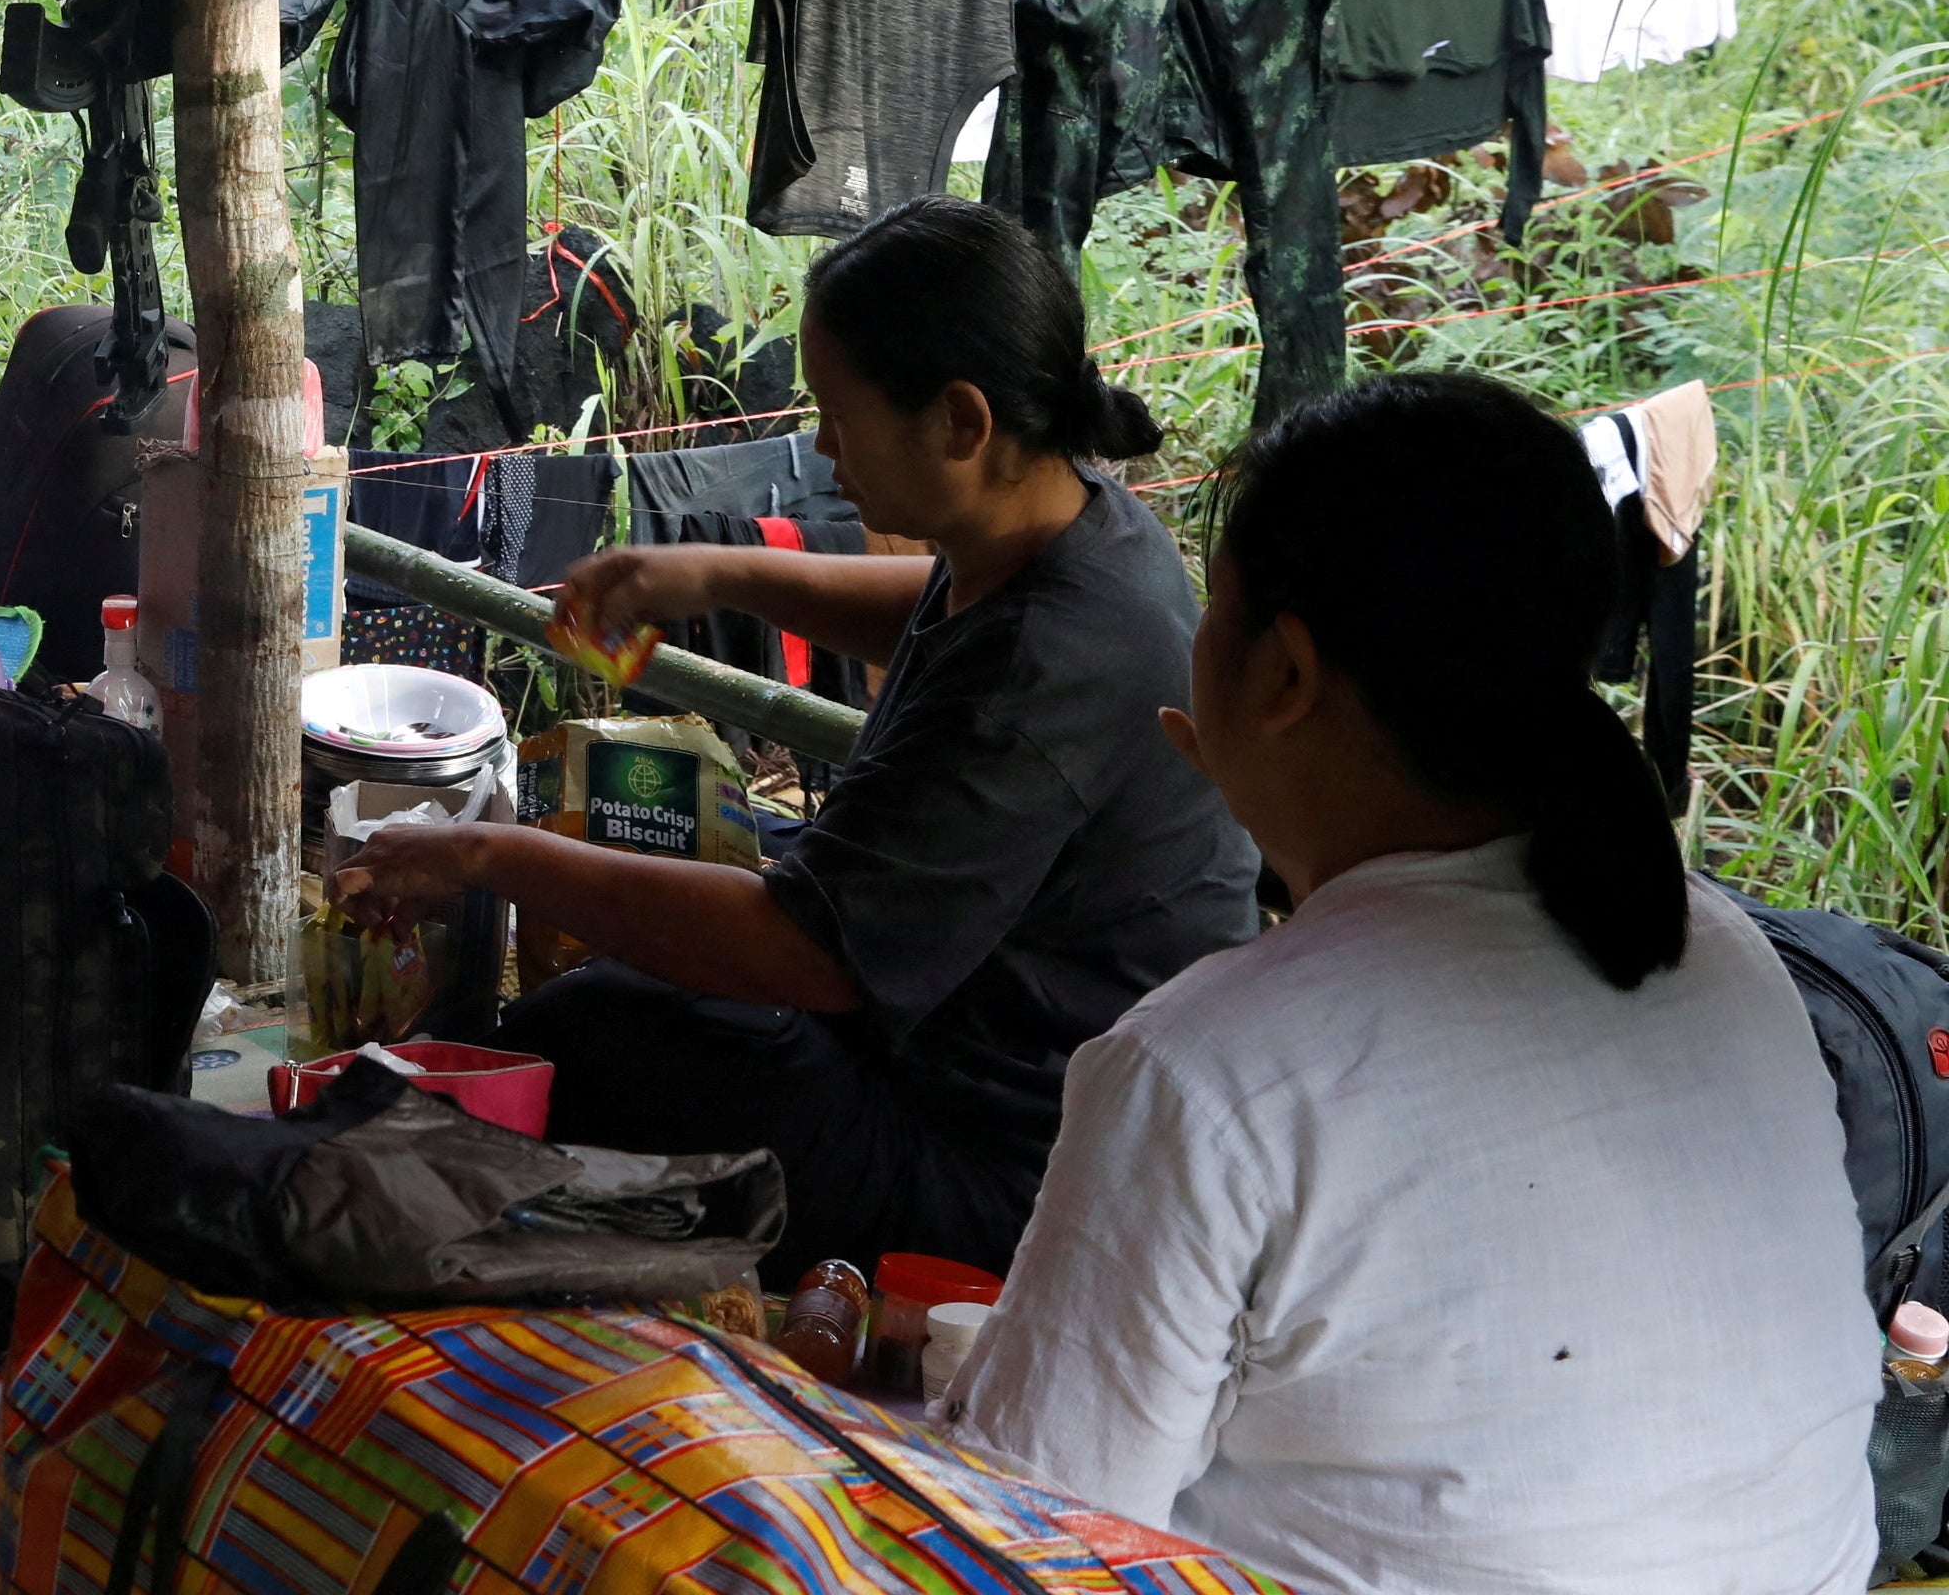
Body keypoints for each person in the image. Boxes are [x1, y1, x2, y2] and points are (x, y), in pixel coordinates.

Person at [948, 374, 1873, 1595]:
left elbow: (1029, 1546)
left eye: (1211, 607)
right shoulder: (1726, 954)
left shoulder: (1205, 1073)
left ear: (1283, 674)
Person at [334, 196, 1254, 1272]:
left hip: (1016, 1177)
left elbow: (804, 952)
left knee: (592, 1045)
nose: (820, 444)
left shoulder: (1047, 661)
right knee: (610, 994)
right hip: (942, 1059)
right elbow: (937, 603)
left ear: (961, 422)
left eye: (838, 412)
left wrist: (492, 854)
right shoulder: (1068, 528)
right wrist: (719, 572)